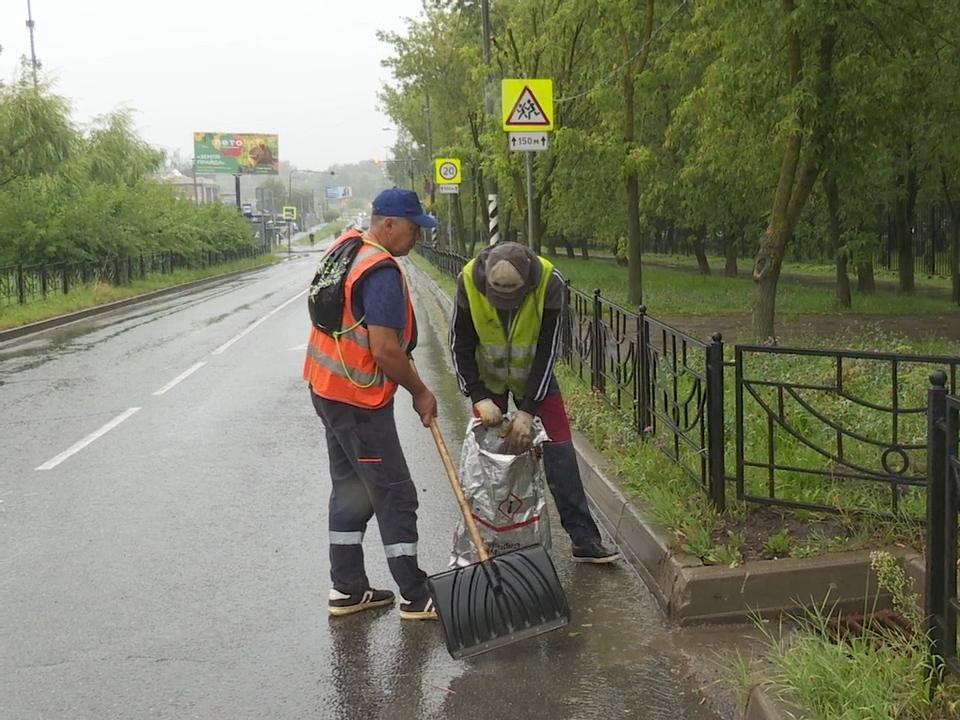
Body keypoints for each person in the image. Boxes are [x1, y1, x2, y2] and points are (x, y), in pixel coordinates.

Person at [303, 187, 441, 619]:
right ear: (389, 224)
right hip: (358, 400)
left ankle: (347, 589)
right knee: (394, 493)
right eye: (414, 228)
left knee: (350, 489)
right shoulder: (380, 271)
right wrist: (420, 390)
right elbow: (383, 349)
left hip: (326, 388)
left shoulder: (348, 246)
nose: (418, 237)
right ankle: (416, 596)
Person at [451, 241, 620, 564]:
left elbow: (549, 349)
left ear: (526, 284)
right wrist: (478, 395)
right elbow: (460, 343)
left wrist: (528, 410)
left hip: (536, 379)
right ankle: (487, 542)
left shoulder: (549, 282)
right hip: (488, 381)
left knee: (560, 451)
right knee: (485, 462)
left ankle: (584, 538)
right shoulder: (468, 279)